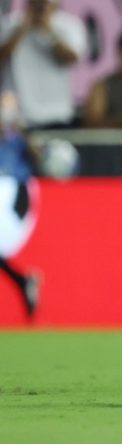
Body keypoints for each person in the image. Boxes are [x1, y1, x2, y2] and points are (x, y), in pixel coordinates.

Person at [0, 0, 86, 130]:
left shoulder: (69, 26)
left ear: (55, 2)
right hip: (20, 116)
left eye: (45, 2)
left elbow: (72, 59)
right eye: (36, 1)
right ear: (28, 1)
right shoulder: (12, 24)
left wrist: (48, 31)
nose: (40, 7)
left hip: (57, 113)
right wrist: (22, 28)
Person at [0, 92, 41, 319]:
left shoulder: (18, 138)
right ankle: (22, 281)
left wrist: (22, 130)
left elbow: (39, 156)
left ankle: (22, 281)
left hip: (12, 195)